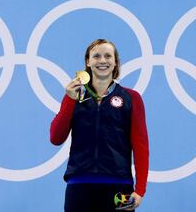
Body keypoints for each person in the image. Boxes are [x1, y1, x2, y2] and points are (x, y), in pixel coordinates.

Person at [50, 39, 149, 211]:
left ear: (116, 62)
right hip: (79, 186)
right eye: (96, 56)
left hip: (120, 187)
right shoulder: (74, 95)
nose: (102, 60)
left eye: (108, 56)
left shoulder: (131, 98)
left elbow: (140, 145)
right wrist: (70, 101)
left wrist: (140, 190)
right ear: (88, 62)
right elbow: (56, 138)